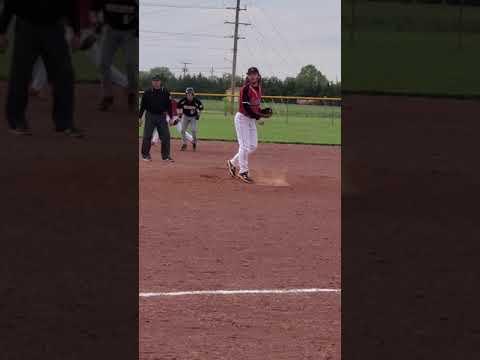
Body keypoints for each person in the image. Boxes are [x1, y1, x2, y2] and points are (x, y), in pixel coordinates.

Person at [0, 0, 83, 137]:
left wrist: (76, 32)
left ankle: (64, 123)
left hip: (54, 28)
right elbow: (10, 2)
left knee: (64, 74)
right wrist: (2, 31)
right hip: (27, 26)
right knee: (20, 75)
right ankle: (16, 122)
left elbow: (71, 4)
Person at [90, 0, 138, 111]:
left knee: (130, 63)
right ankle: (107, 96)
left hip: (130, 32)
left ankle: (131, 92)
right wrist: (96, 22)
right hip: (110, 30)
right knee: (103, 63)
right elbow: (94, 8)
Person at [226, 67, 272, 183]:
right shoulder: (245, 89)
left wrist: (261, 111)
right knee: (244, 146)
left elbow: (254, 107)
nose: (252, 76)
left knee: (252, 146)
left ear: (258, 76)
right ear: (248, 76)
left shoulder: (259, 88)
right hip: (242, 118)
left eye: (254, 74)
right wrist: (258, 117)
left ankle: (232, 162)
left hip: (250, 119)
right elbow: (246, 107)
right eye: (250, 74)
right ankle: (243, 172)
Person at [139, 75, 174, 162]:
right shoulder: (147, 92)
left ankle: (165, 156)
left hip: (162, 116)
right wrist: (139, 117)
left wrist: (171, 118)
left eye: (157, 81)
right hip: (150, 115)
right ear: (152, 82)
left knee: (166, 136)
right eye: (154, 81)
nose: (156, 82)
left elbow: (169, 106)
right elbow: (142, 106)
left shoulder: (165, 92)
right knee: (147, 136)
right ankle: (145, 155)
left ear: (160, 82)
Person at [176, 87, 203, 152]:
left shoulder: (197, 101)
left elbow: (201, 108)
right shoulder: (183, 101)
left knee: (193, 130)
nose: (189, 95)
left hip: (193, 117)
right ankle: (184, 144)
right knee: (182, 130)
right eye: (188, 94)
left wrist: (198, 115)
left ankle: (194, 142)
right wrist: (179, 115)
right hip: (185, 116)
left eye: (191, 94)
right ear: (186, 95)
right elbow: (178, 107)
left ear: (193, 95)